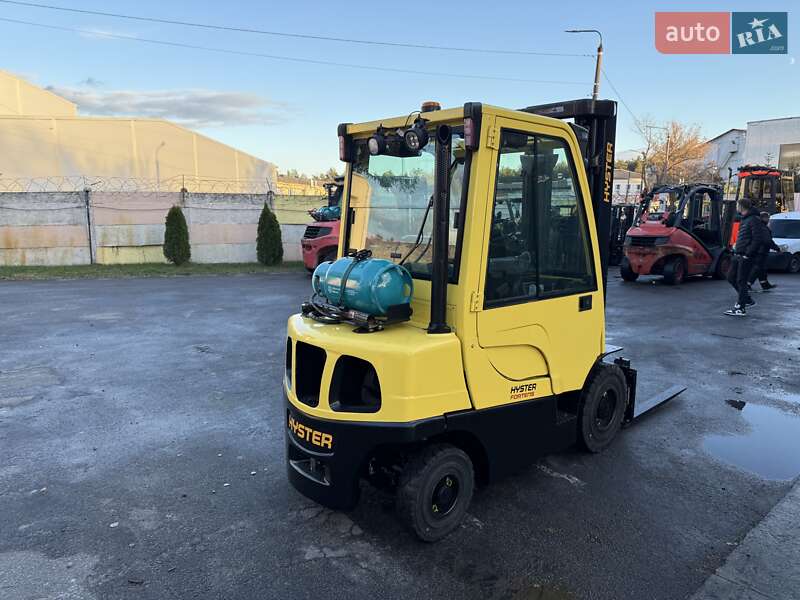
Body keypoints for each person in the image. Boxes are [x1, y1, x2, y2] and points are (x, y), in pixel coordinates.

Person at [724, 198, 765, 317]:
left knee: (741, 281)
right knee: (731, 277)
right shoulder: (746, 219)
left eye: (738, 205)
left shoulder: (753, 220)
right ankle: (746, 299)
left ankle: (741, 308)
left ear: (742, 206)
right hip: (738, 253)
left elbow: (758, 239)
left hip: (746, 255)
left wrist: (748, 253)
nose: (736, 207)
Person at [747, 211, 780, 292]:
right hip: (761, 251)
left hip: (757, 251)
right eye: (767, 218)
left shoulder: (758, 226)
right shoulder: (763, 228)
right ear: (764, 218)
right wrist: (777, 248)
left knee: (761, 268)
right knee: (757, 268)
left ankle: (765, 284)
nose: (768, 220)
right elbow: (767, 241)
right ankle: (747, 284)